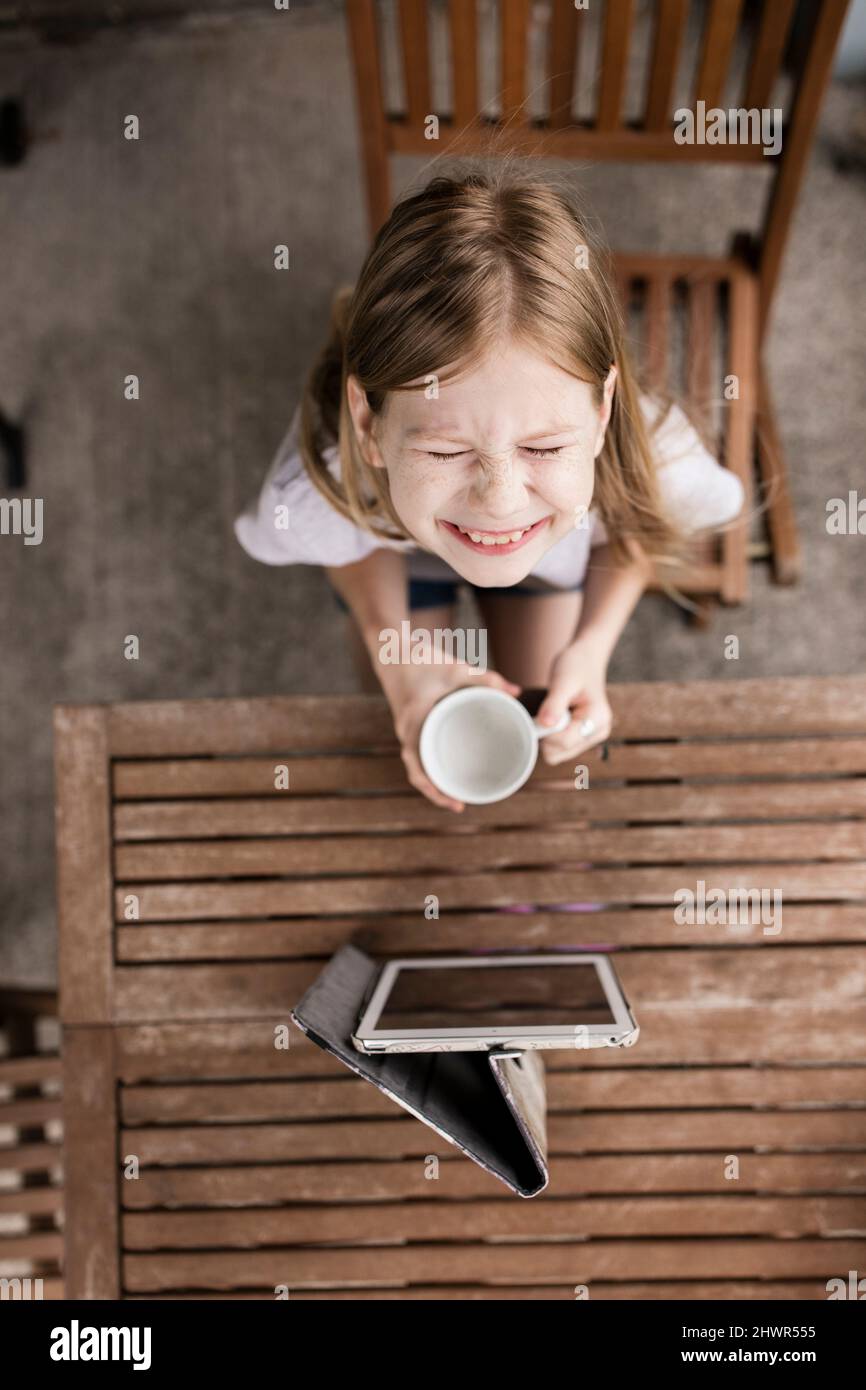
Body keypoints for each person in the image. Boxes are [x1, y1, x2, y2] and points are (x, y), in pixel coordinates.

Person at [235, 169, 744, 812]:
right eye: (446, 451)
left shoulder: (663, 463)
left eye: (544, 447)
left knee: (538, 757)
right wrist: (395, 658)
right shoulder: (313, 491)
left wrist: (592, 647)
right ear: (368, 424)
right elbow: (339, 537)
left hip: (538, 549)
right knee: (421, 734)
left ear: (603, 409)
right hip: (393, 543)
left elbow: (645, 522)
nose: (499, 503)